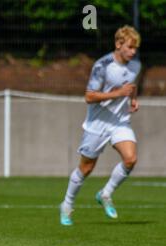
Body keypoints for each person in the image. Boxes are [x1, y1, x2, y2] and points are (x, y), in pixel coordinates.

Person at [59, 25, 141, 226]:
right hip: (97, 124)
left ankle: (105, 193)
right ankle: (67, 204)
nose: (133, 51)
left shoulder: (135, 65)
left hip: (119, 122)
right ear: (118, 44)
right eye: (130, 47)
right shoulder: (102, 66)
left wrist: (132, 99)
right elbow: (89, 96)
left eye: (135, 48)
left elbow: (131, 86)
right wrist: (118, 94)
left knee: (130, 159)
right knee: (86, 168)